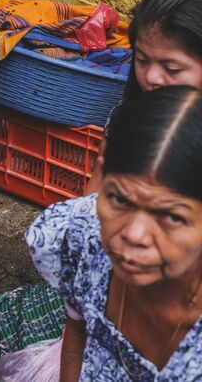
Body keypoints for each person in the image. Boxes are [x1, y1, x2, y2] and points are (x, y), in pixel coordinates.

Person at [24, 85, 202, 380]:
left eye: (172, 216)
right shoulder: (84, 236)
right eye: (120, 200)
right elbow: (77, 336)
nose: (133, 234)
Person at [85, 0, 202, 193]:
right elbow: (95, 193)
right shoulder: (127, 116)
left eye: (172, 68)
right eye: (142, 60)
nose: (152, 78)